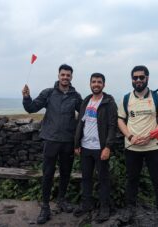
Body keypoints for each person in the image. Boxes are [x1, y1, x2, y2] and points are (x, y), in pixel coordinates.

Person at [22, 64, 82, 224]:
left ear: (71, 77)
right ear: (58, 75)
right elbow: (31, 108)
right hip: (51, 140)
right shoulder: (48, 93)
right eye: (63, 75)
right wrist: (26, 97)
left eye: (68, 75)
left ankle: (61, 200)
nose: (65, 77)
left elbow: (84, 115)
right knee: (47, 174)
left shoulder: (76, 96)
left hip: (68, 141)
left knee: (65, 173)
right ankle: (45, 207)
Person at [117, 65, 158, 226]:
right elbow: (120, 120)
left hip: (153, 146)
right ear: (132, 80)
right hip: (132, 147)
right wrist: (130, 136)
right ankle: (130, 209)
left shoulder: (157, 97)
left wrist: (150, 135)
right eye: (135, 77)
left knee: (157, 179)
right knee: (132, 179)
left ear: (147, 78)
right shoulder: (126, 99)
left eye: (141, 77)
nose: (138, 80)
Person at [73, 73, 117, 223]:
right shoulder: (86, 100)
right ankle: (87, 204)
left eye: (99, 82)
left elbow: (112, 126)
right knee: (86, 178)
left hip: (100, 148)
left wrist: (108, 146)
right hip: (85, 147)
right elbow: (81, 122)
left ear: (104, 84)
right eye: (94, 82)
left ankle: (105, 208)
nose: (96, 84)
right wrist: (77, 143)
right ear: (90, 84)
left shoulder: (108, 102)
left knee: (103, 179)